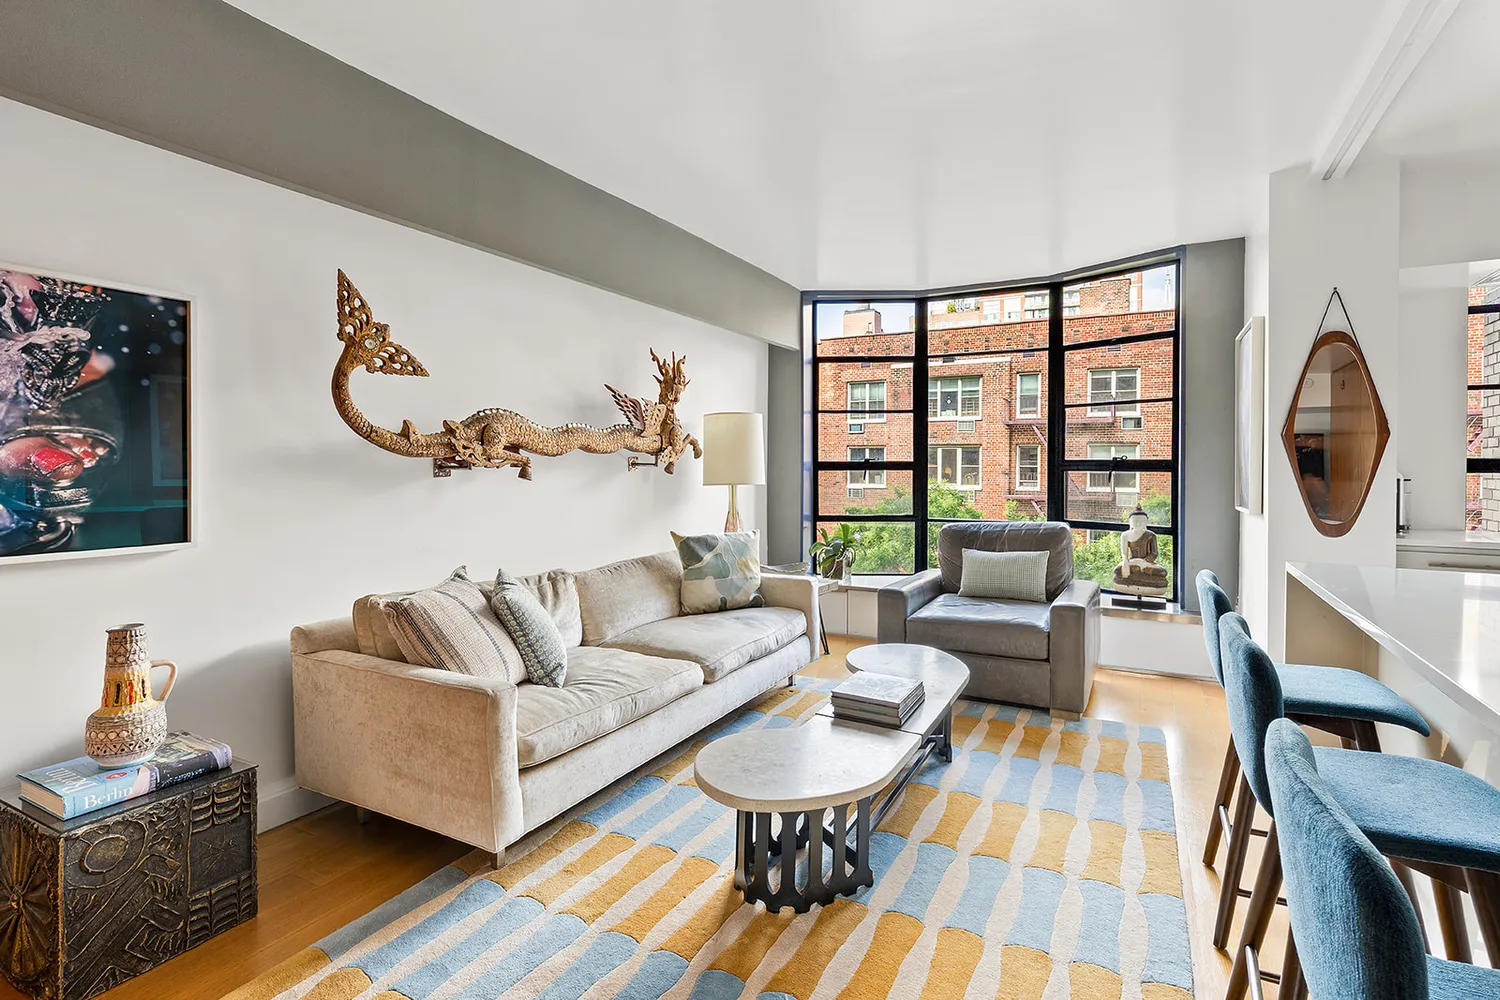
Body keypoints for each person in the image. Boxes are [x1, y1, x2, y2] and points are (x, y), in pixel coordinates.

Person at [1112, 506, 1168, 594]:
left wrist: (1144, 562)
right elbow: (1124, 553)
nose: (1138, 524)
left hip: (1147, 563)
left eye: (1141, 521)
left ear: (1146, 522)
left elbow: (1154, 553)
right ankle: (1142, 577)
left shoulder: (1151, 535)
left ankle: (1136, 576)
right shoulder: (1125, 535)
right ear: (1130, 522)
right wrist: (1125, 562)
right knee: (1117, 570)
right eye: (1135, 521)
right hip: (1132, 562)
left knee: (1162, 572)